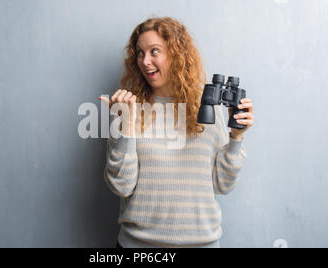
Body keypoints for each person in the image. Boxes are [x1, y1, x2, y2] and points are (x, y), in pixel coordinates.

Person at [99, 17, 254, 248]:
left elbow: (222, 184)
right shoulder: (127, 106)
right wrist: (127, 127)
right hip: (138, 247)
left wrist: (236, 138)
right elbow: (121, 186)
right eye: (140, 53)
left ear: (176, 53)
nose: (145, 61)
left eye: (154, 51)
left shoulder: (207, 105)